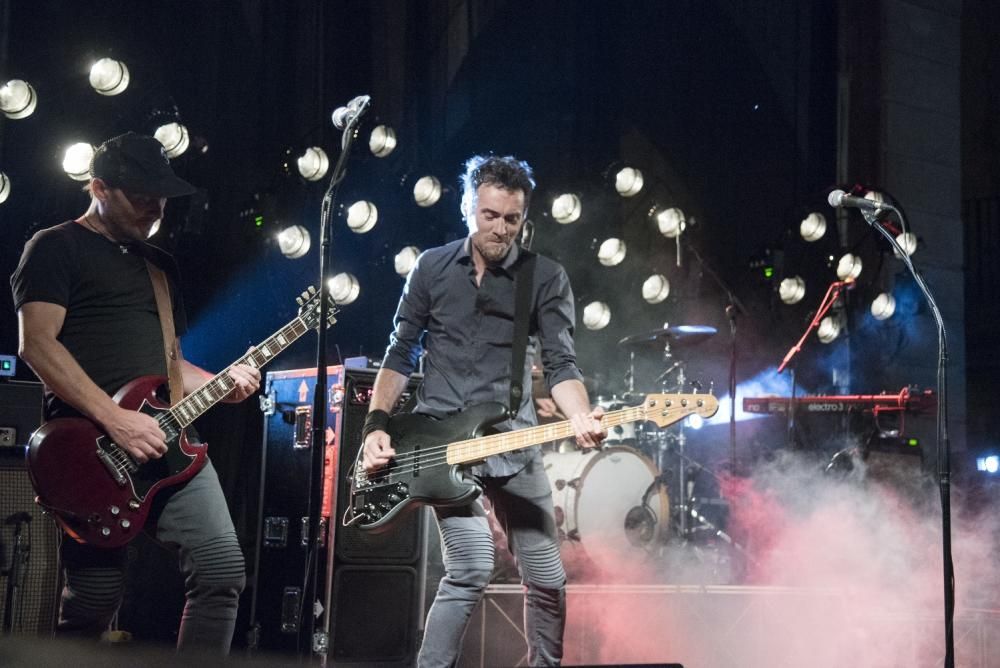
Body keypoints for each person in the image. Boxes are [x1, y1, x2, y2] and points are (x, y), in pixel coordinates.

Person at [10, 132, 260, 654]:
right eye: (140, 193)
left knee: (221, 571)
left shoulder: (159, 265)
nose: (155, 206)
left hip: (166, 442)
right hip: (89, 451)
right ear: (98, 187)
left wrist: (221, 385)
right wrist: (116, 419)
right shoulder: (55, 246)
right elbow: (36, 343)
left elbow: (171, 366)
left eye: (161, 194)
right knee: (94, 601)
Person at [361, 155, 606, 667]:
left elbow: (562, 365)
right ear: (468, 207)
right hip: (440, 446)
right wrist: (375, 427)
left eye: (511, 219)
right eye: (489, 215)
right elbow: (400, 353)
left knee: (547, 580)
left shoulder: (544, 277)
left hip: (512, 443)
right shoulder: (431, 267)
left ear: (525, 218)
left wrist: (580, 413)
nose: (499, 229)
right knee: (470, 565)